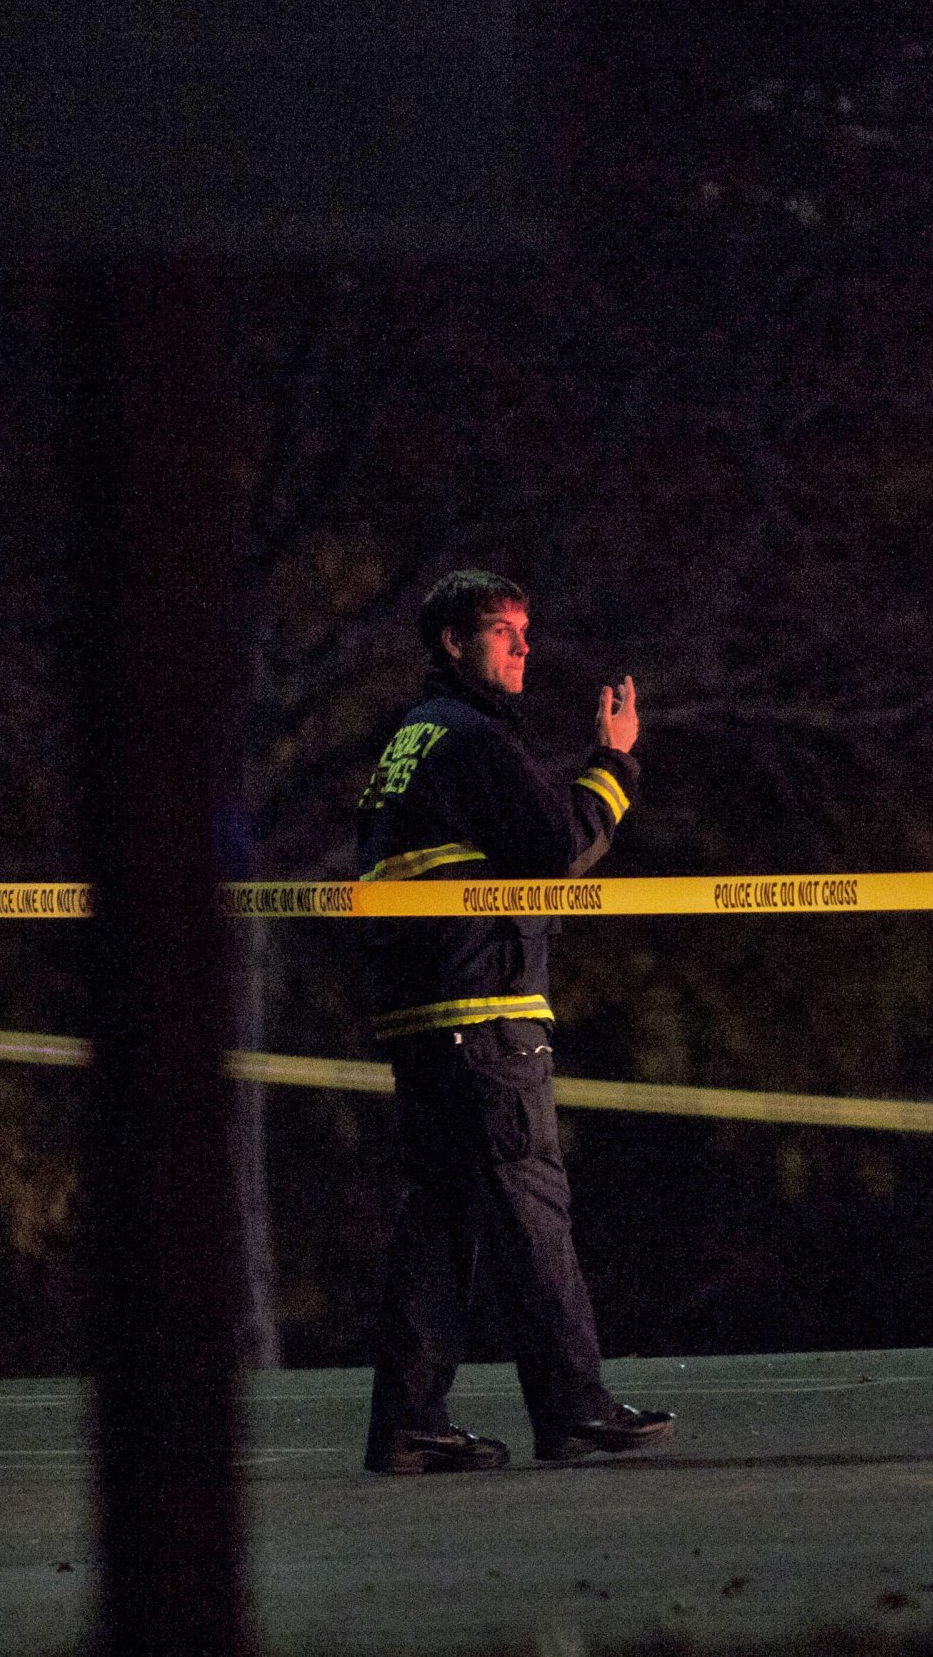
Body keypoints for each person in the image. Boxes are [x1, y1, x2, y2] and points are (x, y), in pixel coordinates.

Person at [353, 569, 676, 1474]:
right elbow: (557, 849)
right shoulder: (473, 740)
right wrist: (613, 762)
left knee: (442, 1218)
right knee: (532, 1206)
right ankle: (575, 1409)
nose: (525, 649)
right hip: (484, 1013)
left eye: (527, 632)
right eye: (505, 632)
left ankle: (409, 1422)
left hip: (422, 1019)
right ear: (454, 643)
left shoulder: (406, 743)